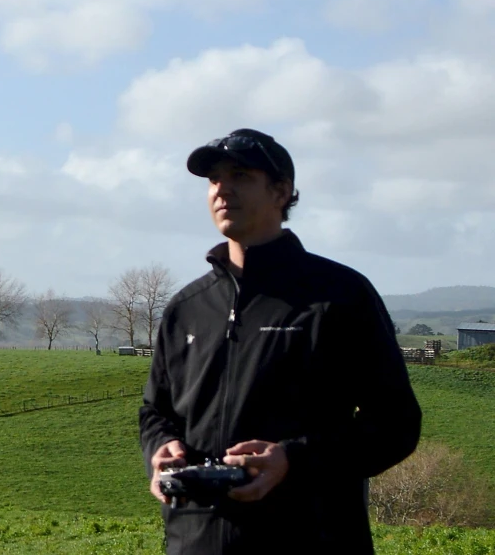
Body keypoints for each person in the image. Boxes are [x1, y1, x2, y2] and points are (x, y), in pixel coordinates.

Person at [138, 128, 420, 554]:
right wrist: (161, 448)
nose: (222, 189)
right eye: (214, 179)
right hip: (195, 541)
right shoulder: (186, 308)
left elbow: (396, 425)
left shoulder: (339, 297)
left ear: (281, 191)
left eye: (240, 176)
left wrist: (293, 459)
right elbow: (155, 411)